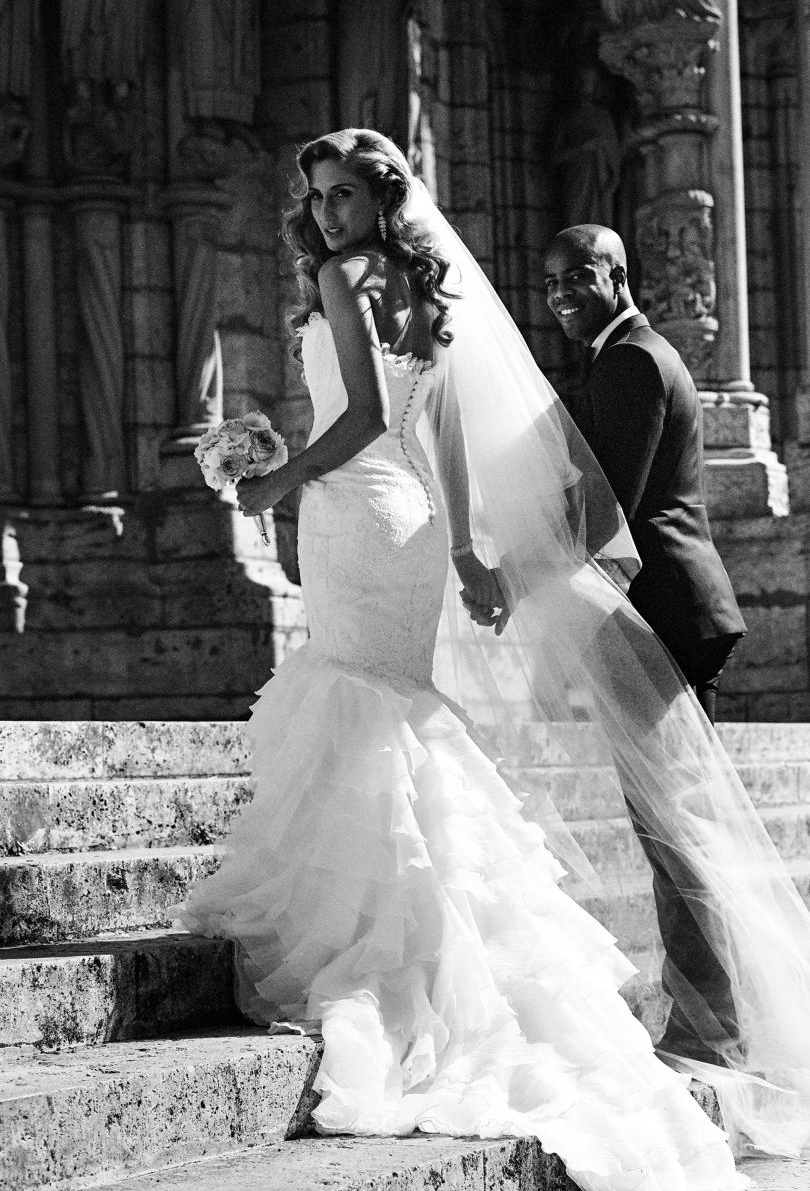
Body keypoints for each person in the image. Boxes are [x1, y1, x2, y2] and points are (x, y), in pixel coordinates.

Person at [179, 129, 810, 1186]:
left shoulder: (342, 277)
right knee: (392, 705)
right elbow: (444, 433)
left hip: (353, 514)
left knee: (354, 701)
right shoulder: (423, 290)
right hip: (415, 521)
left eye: (345, 195)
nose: (329, 214)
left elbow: (367, 417)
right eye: (318, 197)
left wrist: (277, 482)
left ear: (382, 198)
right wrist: (467, 550)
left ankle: (365, 932)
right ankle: (432, 928)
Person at [541, 224, 747, 1068]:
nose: (560, 293)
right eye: (550, 280)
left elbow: (608, 509)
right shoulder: (629, 355)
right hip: (675, 610)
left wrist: (514, 565)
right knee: (679, 827)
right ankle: (715, 1022)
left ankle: (709, 1033)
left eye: (577, 275)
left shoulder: (629, 362)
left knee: (675, 832)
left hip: (661, 615)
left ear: (617, 275)